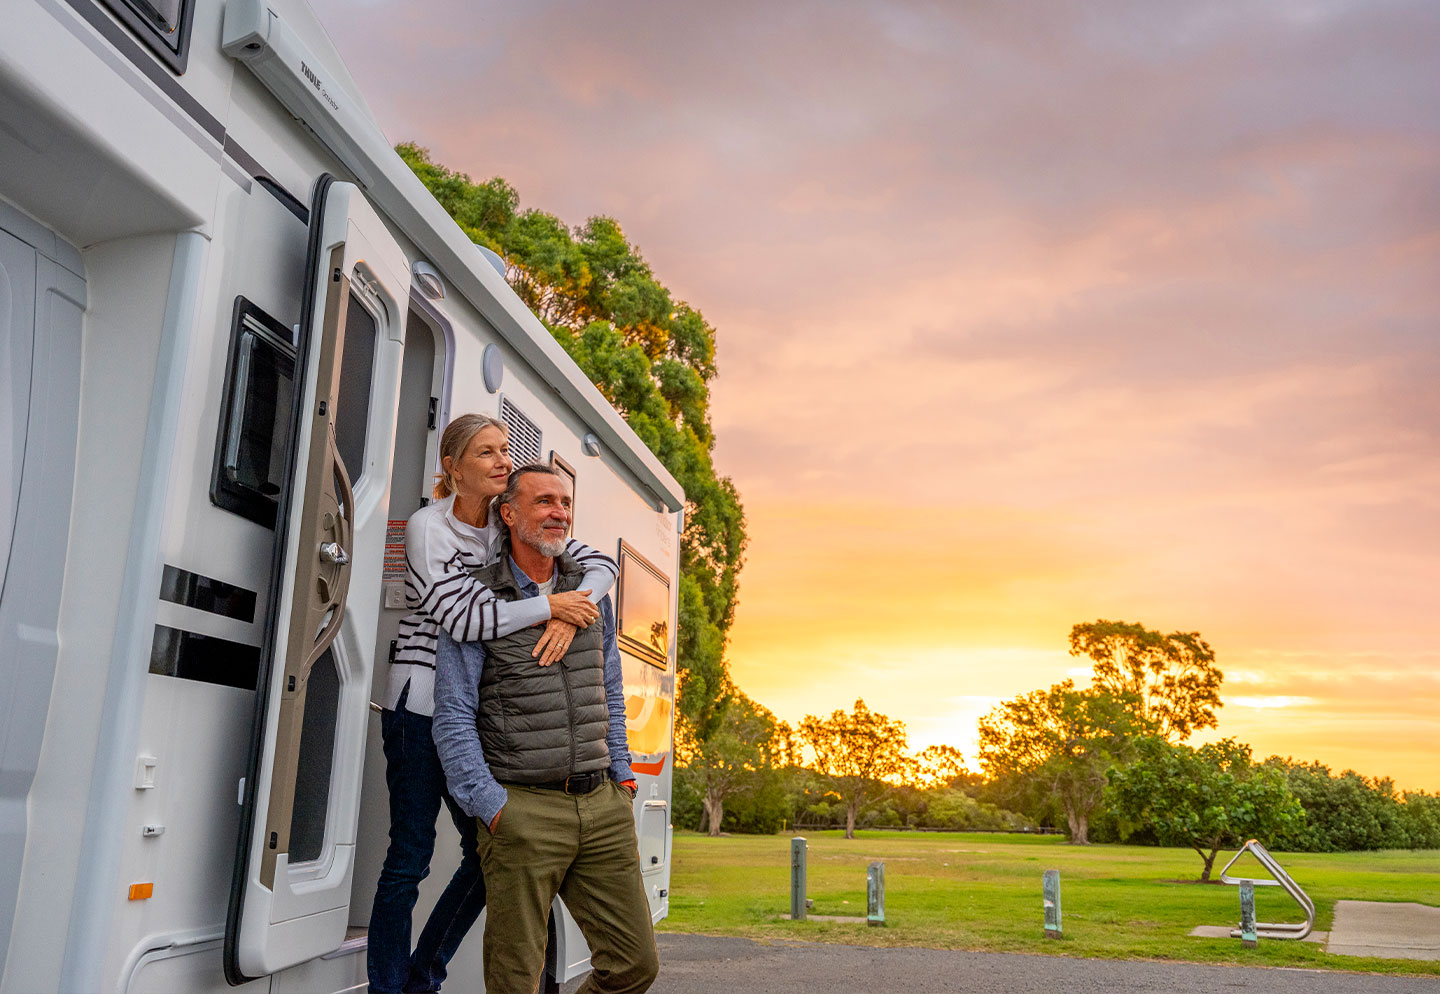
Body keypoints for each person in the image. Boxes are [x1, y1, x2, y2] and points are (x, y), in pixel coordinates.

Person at [368, 415, 619, 994]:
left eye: (504, 450)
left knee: (488, 856)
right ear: (452, 467)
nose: (502, 460)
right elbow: (467, 619)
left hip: (471, 709)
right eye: (486, 453)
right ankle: (389, 986)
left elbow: (601, 565)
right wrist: (551, 607)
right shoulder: (428, 527)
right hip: (417, 704)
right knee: (409, 855)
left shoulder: (505, 526)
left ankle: (422, 975)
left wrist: (574, 600)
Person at [433, 464, 659, 994]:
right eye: (544, 502)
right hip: (522, 809)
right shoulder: (477, 601)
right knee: (515, 981)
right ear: (508, 515)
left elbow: (609, 691)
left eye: (565, 502)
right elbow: (453, 713)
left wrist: (621, 776)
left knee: (633, 966)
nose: (559, 512)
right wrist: (491, 805)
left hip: (601, 804)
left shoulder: (591, 592)